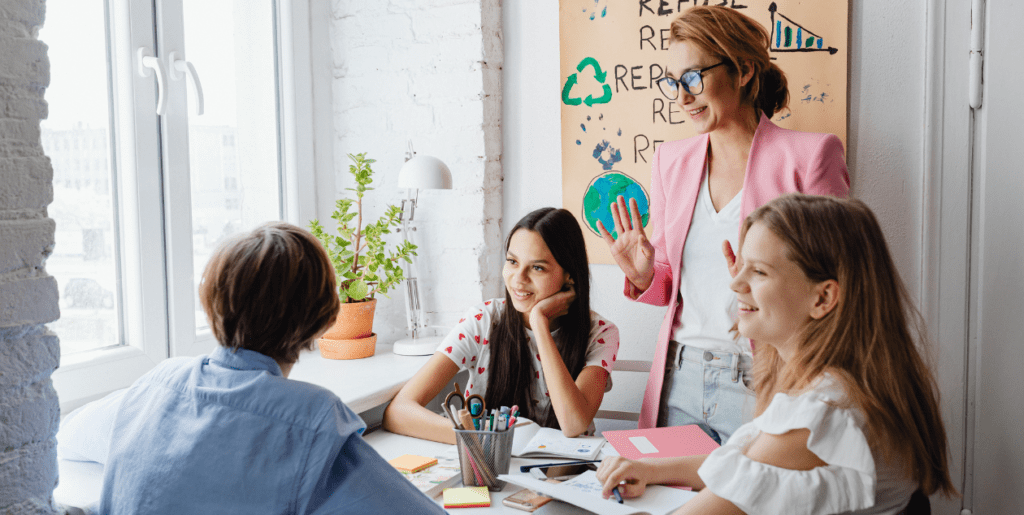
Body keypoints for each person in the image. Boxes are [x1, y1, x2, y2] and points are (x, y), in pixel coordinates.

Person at [595, 194, 956, 514]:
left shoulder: (820, 413)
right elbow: (748, 461)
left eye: (759, 272)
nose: (735, 283)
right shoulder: (841, 384)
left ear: (823, 298)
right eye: (741, 266)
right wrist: (652, 468)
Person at [62, 222, 446, 514]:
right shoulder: (311, 419)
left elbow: (68, 436)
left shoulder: (156, 384)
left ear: (212, 303)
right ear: (323, 319)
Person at [597, 6, 850, 442]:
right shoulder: (670, 161)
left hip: (766, 377)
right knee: (664, 488)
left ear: (745, 70)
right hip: (679, 377)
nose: (682, 97)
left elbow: (837, 284)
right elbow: (669, 285)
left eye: (693, 78)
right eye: (673, 82)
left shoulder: (810, 157)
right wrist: (644, 276)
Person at [384, 207, 620, 443]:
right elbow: (398, 413)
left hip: (567, 466)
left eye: (537, 267)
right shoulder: (483, 320)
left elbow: (574, 425)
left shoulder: (600, 333)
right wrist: (482, 439)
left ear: (569, 275)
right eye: (512, 262)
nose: (518, 278)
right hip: (490, 459)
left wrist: (539, 323)